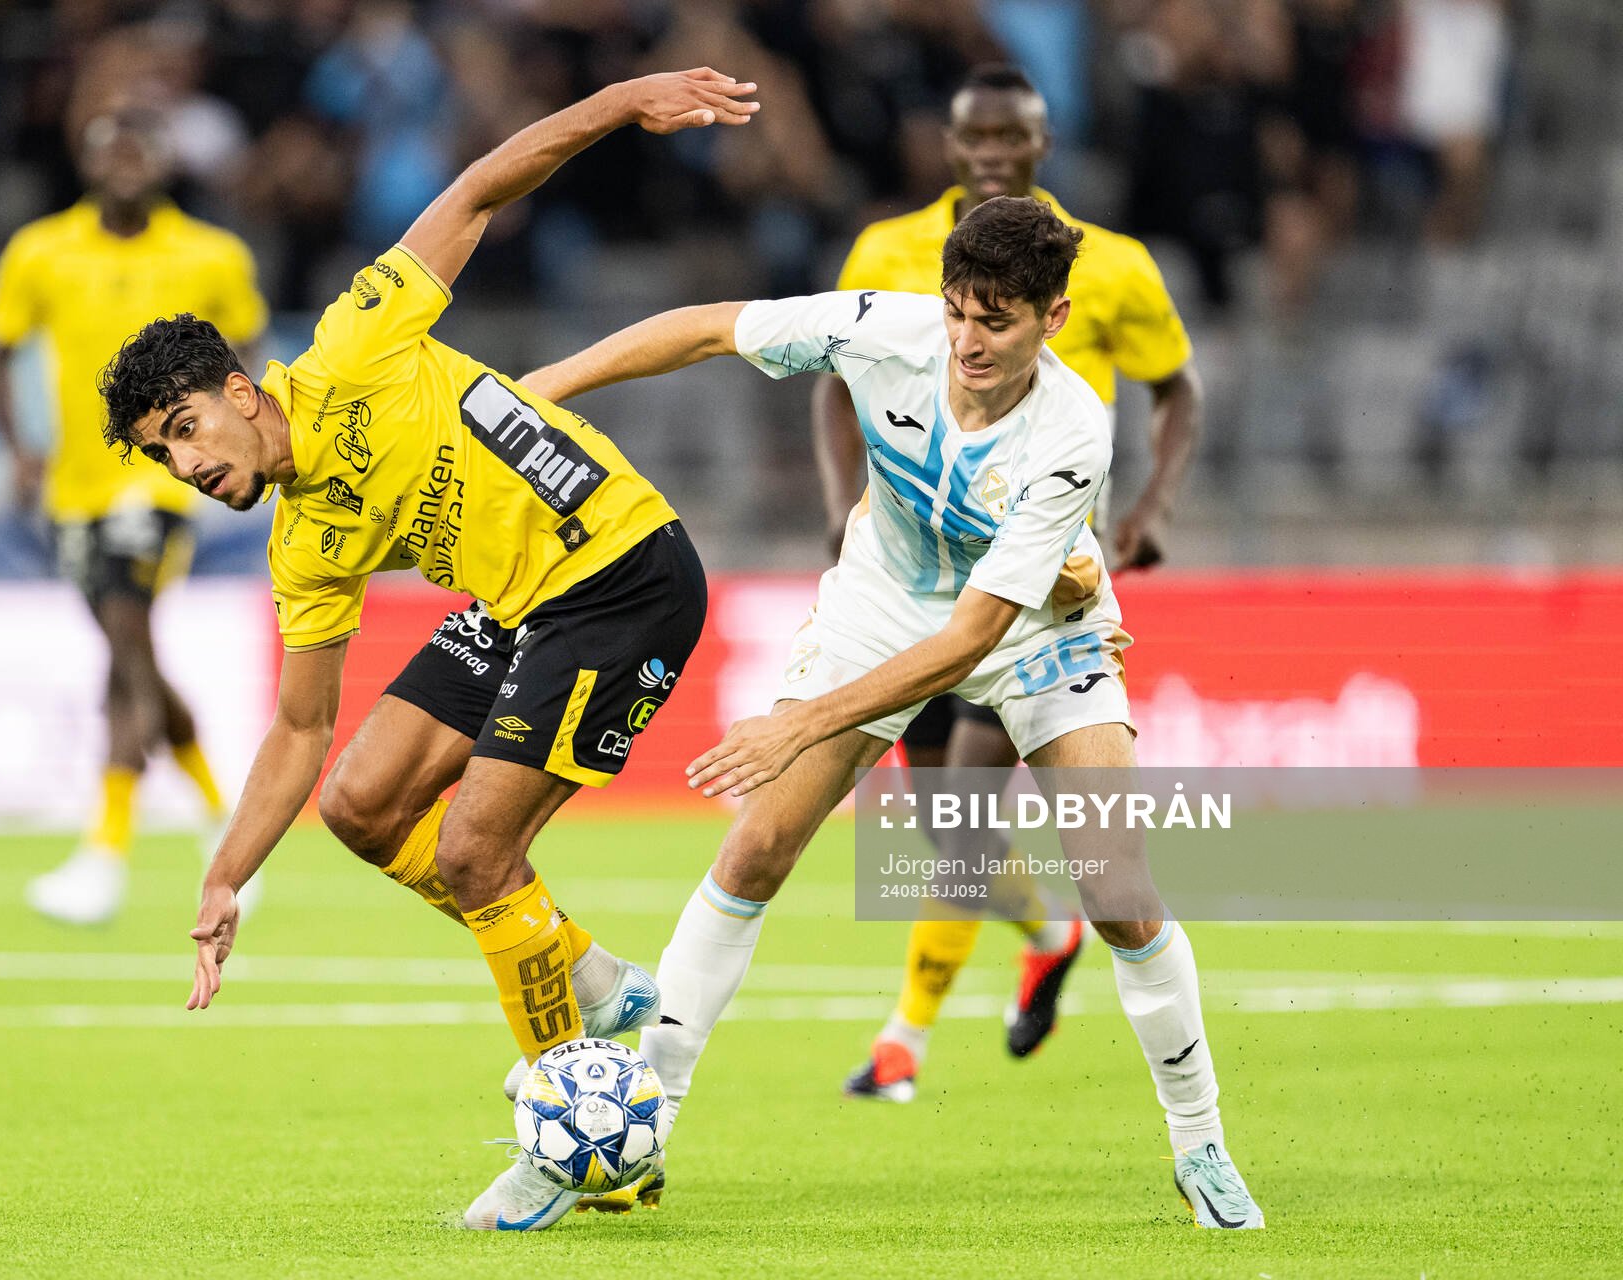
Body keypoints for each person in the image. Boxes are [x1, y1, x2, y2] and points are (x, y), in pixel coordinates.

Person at [95, 68, 759, 1231]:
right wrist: (223, 873)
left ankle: (573, 1138)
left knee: (472, 850)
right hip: (520, 603)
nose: (187, 465)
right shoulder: (306, 542)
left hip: (620, 574)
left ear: (245, 394)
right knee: (358, 803)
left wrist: (624, 102)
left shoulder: (357, 341)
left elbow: (483, 184)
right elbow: (302, 729)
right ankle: (592, 976)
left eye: (187, 428)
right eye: (163, 455)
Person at [522, 195, 1263, 1229]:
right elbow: (706, 326)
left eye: (996, 320)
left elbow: (969, 640)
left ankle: (1201, 1143)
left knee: (1120, 892)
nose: (967, 339)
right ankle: (640, 1132)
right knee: (756, 849)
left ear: (1053, 320)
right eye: (958, 309)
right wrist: (535, 391)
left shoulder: (1072, 433)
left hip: (1036, 629)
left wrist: (801, 718)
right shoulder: (882, 332)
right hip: (883, 600)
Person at [812, 64, 1203, 1096]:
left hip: (1041, 568)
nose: (991, 152)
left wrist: (1149, 509)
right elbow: (835, 376)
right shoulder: (889, 250)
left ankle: (905, 1037)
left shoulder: (1110, 266)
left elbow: (1178, 389)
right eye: (973, 136)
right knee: (946, 821)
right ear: (949, 144)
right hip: (912, 564)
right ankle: (1048, 929)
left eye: (1011, 137)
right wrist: (835, 501)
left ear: (1042, 143)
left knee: (972, 804)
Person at [0, 103, 269, 925]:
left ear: (164, 160)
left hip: (164, 485)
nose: (128, 161)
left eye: (143, 147)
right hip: (75, 492)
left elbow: (244, 364)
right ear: (88, 158)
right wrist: (18, 450)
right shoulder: (41, 251)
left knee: (124, 642)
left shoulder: (212, 254)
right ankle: (223, 818)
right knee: (128, 646)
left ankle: (104, 854)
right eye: (114, 147)